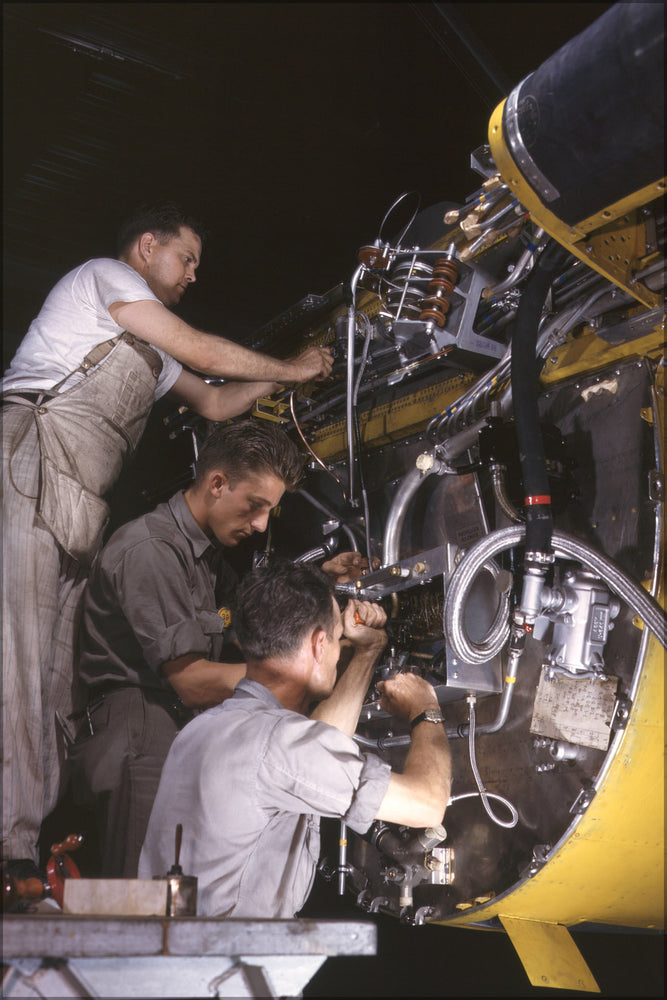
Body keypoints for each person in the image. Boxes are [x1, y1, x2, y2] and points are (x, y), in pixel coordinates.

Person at [1, 203, 333, 878]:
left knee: (53, 681)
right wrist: (293, 369)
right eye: (186, 260)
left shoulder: (147, 355)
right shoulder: (103, 279)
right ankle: (10, 846)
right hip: (30, 464)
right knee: (20, 663)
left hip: (74, 498)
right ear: (146, 247)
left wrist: (294, 371)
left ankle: (23, 845)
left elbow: (213, 400)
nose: (190, 277)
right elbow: (202, 349)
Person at [68, 420, 367, 878]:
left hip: (168, 723)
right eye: (255, 505)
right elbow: (191, 682)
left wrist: (320, 581)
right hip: (139, 727)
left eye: (270, 510)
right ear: (216, 483)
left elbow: (245, 622)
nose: (262, 523)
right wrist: (303, 666)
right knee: (144, 904)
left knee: (177, 899)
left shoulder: (201, 553)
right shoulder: (151, 550)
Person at [138, 560, 451, 918]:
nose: (338, 651)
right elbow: (427, 803)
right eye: (337, 641)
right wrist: (425, 707)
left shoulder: (203, 730)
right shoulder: (276, 745)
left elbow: (318, 750)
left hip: (178, 952)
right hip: (228, 960)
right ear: (319, 645)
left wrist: (367, 652)